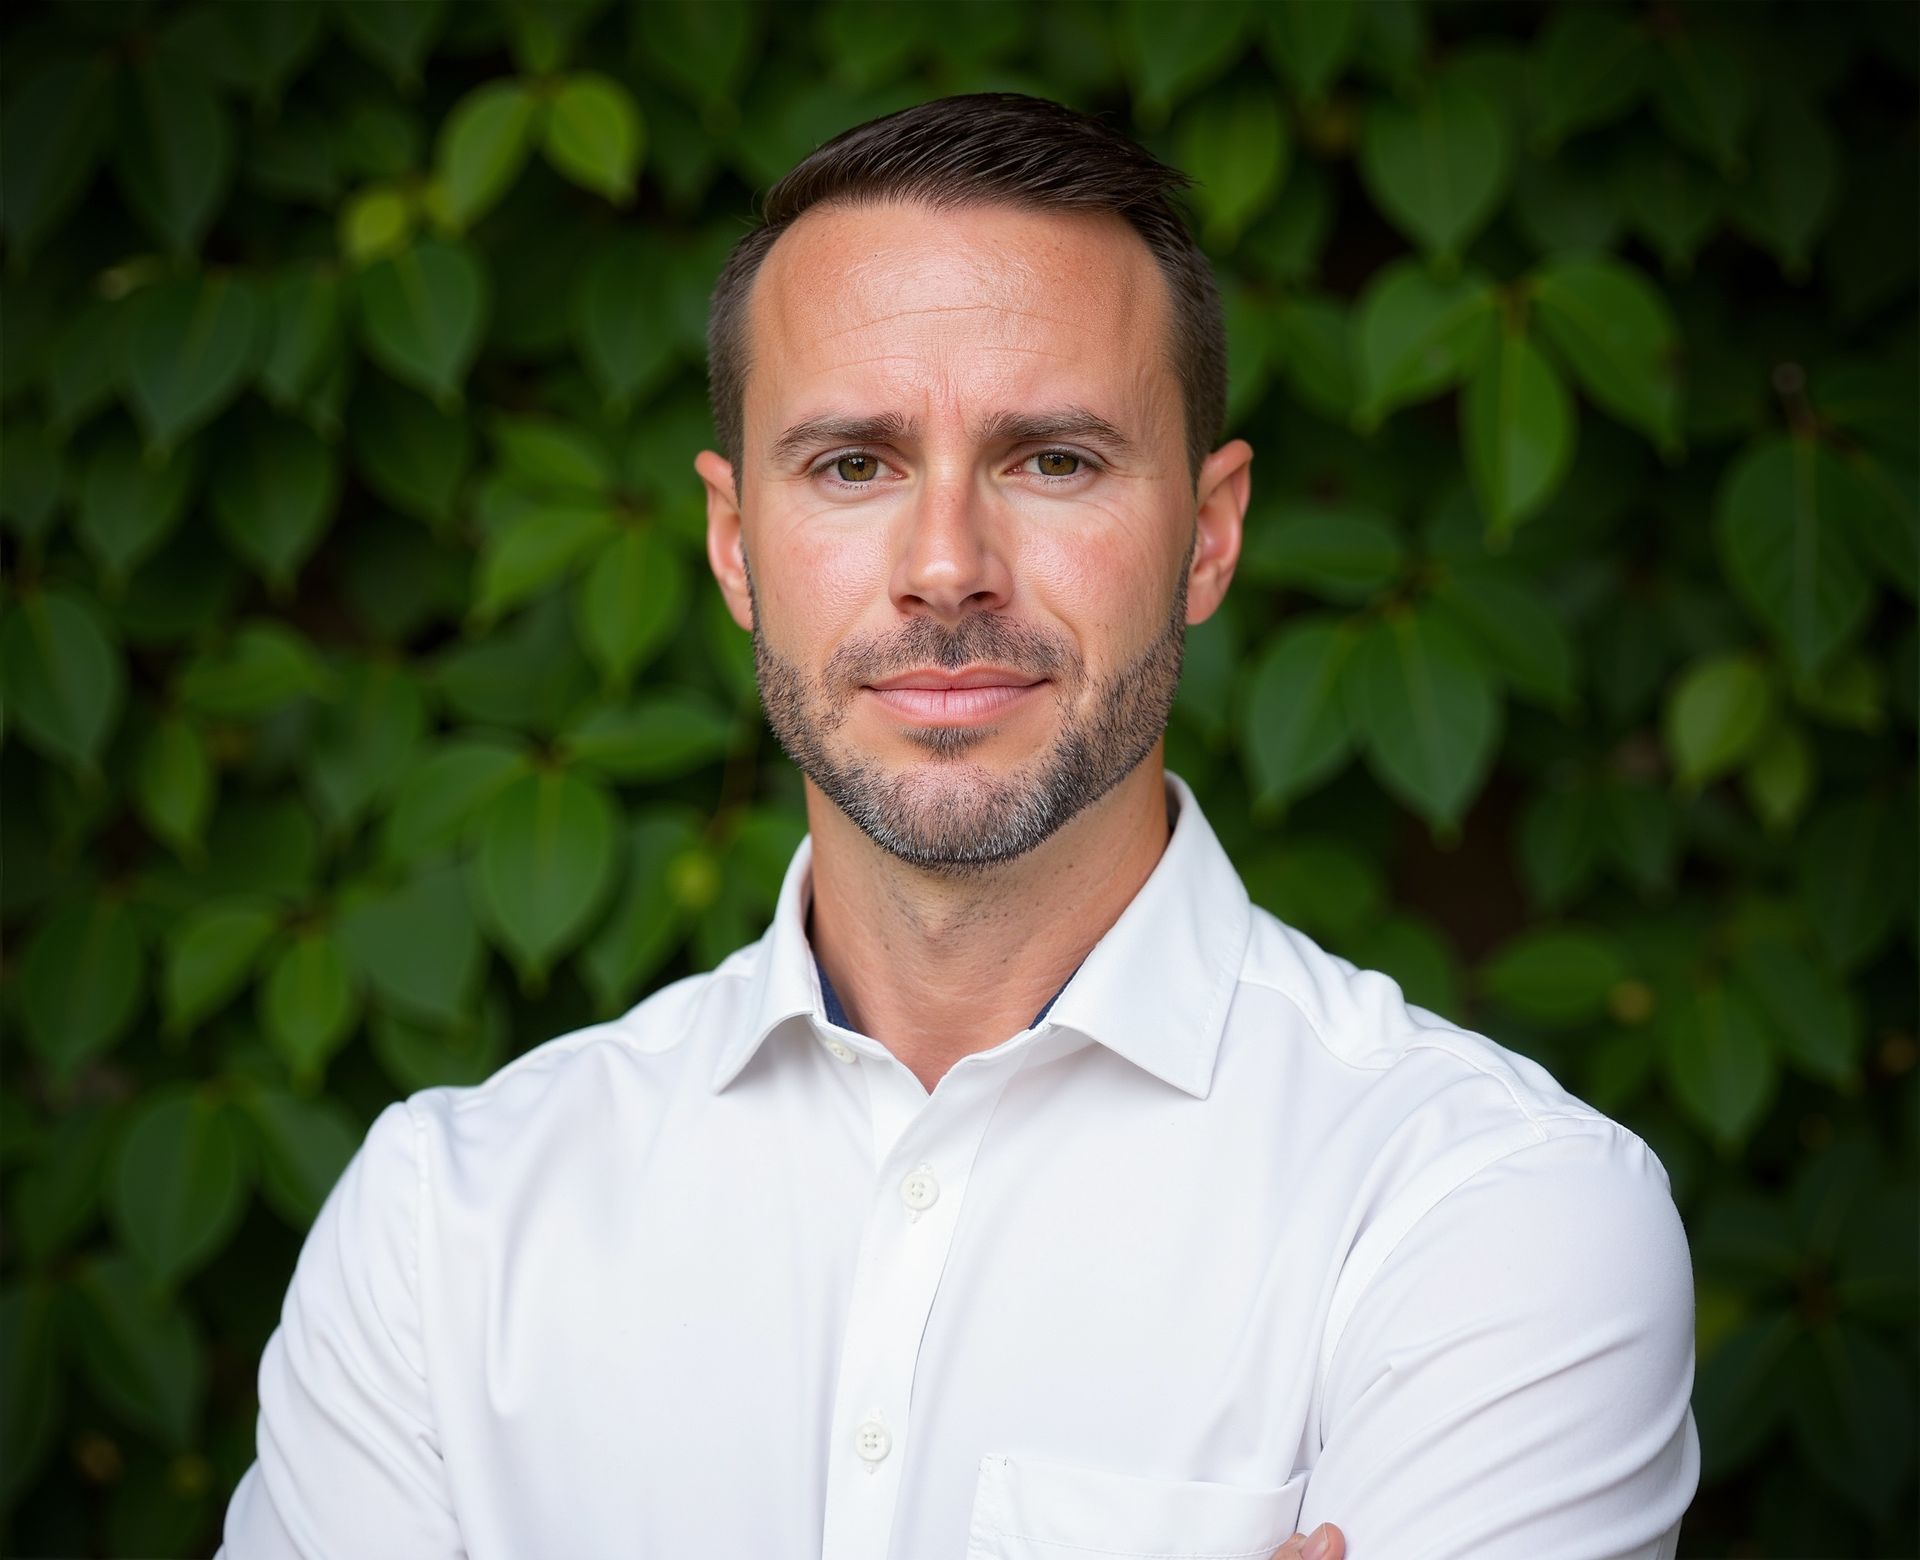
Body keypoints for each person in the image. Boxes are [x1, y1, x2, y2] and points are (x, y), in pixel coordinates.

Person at [217, 93, 1699, 1560]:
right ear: (737, 543)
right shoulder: (445, 1228)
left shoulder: (1490, 1217)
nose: (946, 569)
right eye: (853, 464)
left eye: (1051, 459)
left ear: (1214, 529)